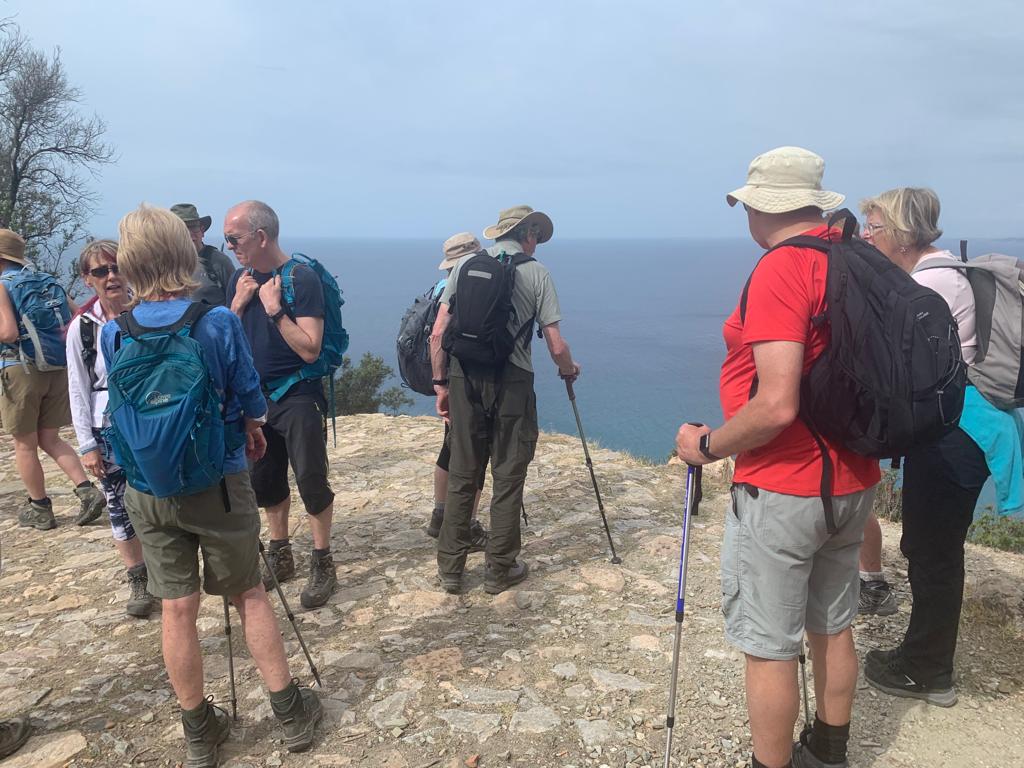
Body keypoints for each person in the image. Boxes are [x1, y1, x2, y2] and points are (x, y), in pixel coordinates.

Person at [675, 147, 880, 768]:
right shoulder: (857, 259)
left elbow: (775, 405)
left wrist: (706, 447)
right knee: (833, 624)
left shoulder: (783, 268)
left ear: (761, 207)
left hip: (783, 485)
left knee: (769, 645)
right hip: (853, 480)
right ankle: (830, 753)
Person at [101, 204, 321, 767]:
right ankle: (290, 713)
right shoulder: (215, 321)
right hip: (217, 480)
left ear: (130, 264)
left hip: (148, 489)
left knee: (177, 609)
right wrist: (251, 429)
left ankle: (200, 732)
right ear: (186, 255)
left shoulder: (113, 331)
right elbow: (252, 400)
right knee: (249, 594)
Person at [859, 187, 1013, 707]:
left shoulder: (929, 284)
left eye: (874, 227)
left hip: (957, 433)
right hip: (959, 427)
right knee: (930, 546)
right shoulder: (941, 272)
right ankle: (924, 659)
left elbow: (896, 364)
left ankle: (927, 672)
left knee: (934, 551)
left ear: (902, 234)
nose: (867, 237)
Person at [430, 205, 580, 595]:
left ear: (499, 234)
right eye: (537, 235)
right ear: (528, 234)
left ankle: (450, 568)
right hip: (512, 381)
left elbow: (439, 332)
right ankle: (499, 569)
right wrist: (569, 368)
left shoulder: (465, 266)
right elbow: (556, 344)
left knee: (463, 472)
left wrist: (441, 385)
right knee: (508, 475)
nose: (537, 242)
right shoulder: (537, 273)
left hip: (464, 378)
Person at [226, 200, 337, 609]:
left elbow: (310, 349)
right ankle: (281, 552)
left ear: (260, 236)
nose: (230, 246)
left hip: (298, 394)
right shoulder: (240, 279)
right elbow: (226, 341)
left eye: (234, 238)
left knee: (311, 478)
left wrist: (274, 310)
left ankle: (322, 560)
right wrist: (237, 305)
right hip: (257, 398)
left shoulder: (301, 279)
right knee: (265, 480)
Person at [65, 239, 157, 618]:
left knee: (158, 497)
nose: (111, 276)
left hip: (150, 420)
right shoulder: (83, 328)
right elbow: (77, 387)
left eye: (117, 267)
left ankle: (165, 568)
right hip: (107, 427)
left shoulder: (149, 312)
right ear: (87, 279)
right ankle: (138, 577)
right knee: (118, 503)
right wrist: (86, 444)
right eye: (101, 271)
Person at [0, 228, 106, 530]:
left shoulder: (2, 285)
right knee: (50, 437)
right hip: (57, 367)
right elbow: (78, 315)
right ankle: (87, 491)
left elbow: (8, 332)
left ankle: (40, 507)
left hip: (21, 369)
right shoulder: (48, 281)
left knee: (24, 444)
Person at [427, 232, 488, 551]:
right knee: (474, 453)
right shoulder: (467, 289)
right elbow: (439, 334)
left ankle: (439, 515)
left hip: (448, 377)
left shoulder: (441, 287)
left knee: (449, 447)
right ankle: (468, 524)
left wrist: (439, 383)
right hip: (464, 379)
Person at [171, 203, 236, 307]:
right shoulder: (163, 264)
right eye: (182, 229)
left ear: (202, 230)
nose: (189, 234)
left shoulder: (219, 262)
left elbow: (235, 301)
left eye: (193, 227)